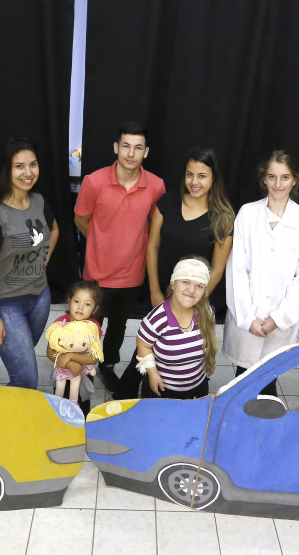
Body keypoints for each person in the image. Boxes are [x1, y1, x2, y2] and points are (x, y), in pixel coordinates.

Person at [113, 147, 235, 399]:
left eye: (202, 176)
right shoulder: (167, 202)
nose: (194, 182)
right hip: (162, 294)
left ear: (213, 179)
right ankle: (133, 398)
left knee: (179, 351)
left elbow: (218, 268)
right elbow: (152, 246)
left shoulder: (222, 218)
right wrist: (156, 290)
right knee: (150, 344)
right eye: (190, 174)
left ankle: (175, 394)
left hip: (194, 298)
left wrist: (193, 299)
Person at [74, 122, 165, 391]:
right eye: (125, 146)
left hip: (132, 274)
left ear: (146, 152)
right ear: (116, 147)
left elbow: (154, 227)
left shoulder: (156, 186)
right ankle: (84, 364)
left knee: (118, 325)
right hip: (97, 274)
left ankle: (108, 364)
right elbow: (81, 219)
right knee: (90, 326)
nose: (130, 153)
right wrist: (102, 243)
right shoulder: (94, 181)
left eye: (138, 148)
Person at [223, 150, 299, 396]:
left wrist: (278, 319)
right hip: (248, 318)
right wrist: (248, 318)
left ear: (295, 180)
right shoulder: (248, 213)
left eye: (285, 177)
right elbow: (237, 269)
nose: (278, 184)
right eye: (272, 177)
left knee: (268, 379)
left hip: (280, 322)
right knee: (243, 378)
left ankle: (262, 426)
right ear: (263, 179)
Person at [0, 137, 59, 389]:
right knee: (26, 379)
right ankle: (8, 423)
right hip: (7, 304)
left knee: (23, 367)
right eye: (19, 166)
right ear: (6, 170)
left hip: (40, 297)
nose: (28, 172)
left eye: (32, 164)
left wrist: (42, 262)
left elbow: (53, 230)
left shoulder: (39, 201)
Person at [137, 257, 217, 400]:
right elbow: (143, 344)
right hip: (163, 390)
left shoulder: (207, 313)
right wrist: (153, 374)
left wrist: (209, 359)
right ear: (173, 284)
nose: (191, 290)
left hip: (198, 387)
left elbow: (210, 338)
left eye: (199, 286)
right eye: (185, 282)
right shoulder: (156, 319)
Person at [45, 280, 104, 404]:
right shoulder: (60, 324)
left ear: (95, 309)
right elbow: (50, 351)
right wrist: (69, 364)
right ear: (69, 301)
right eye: (76, 301)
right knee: (59, 401)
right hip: (62, 374)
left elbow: (93, 358)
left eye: (87, 304)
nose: (80, 307)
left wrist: (71, 356)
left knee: (81, 407)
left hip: (83, 377)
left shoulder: (93, 328)